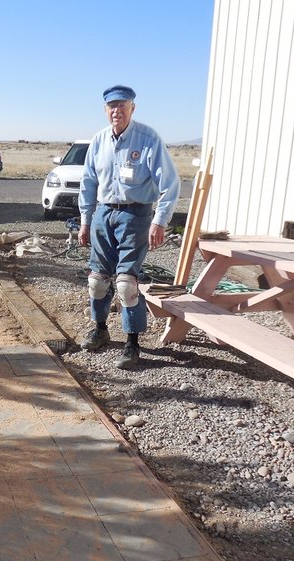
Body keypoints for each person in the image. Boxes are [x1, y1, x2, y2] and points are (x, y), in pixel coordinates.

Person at [77, 85, 180, 369]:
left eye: (123, 105)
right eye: (112, 106)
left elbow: (170, 185)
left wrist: (159, 221)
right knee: (97, 281)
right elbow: (88, 183)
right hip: (104, 214)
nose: (116, 111)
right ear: (105, 109)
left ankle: (132, 345)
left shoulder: (147, 139)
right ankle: (99, 330)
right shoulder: (99, 141)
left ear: (133, 108)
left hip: (135, 217)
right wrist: (85, 220)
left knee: (126, 285)